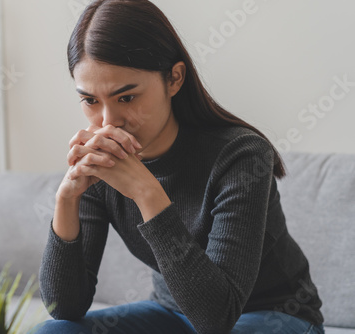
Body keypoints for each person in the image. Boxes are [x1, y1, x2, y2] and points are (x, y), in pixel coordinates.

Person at [31, 0, 325, 333]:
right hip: (173, 315)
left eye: (126, 97)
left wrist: (145, 191)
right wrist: (66, 200)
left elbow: (217, 317)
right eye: (90, 100)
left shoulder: (242, 156)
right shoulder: (100, 164)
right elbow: (64, 308)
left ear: (174, 78)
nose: (108, 122)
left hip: (270, 315)